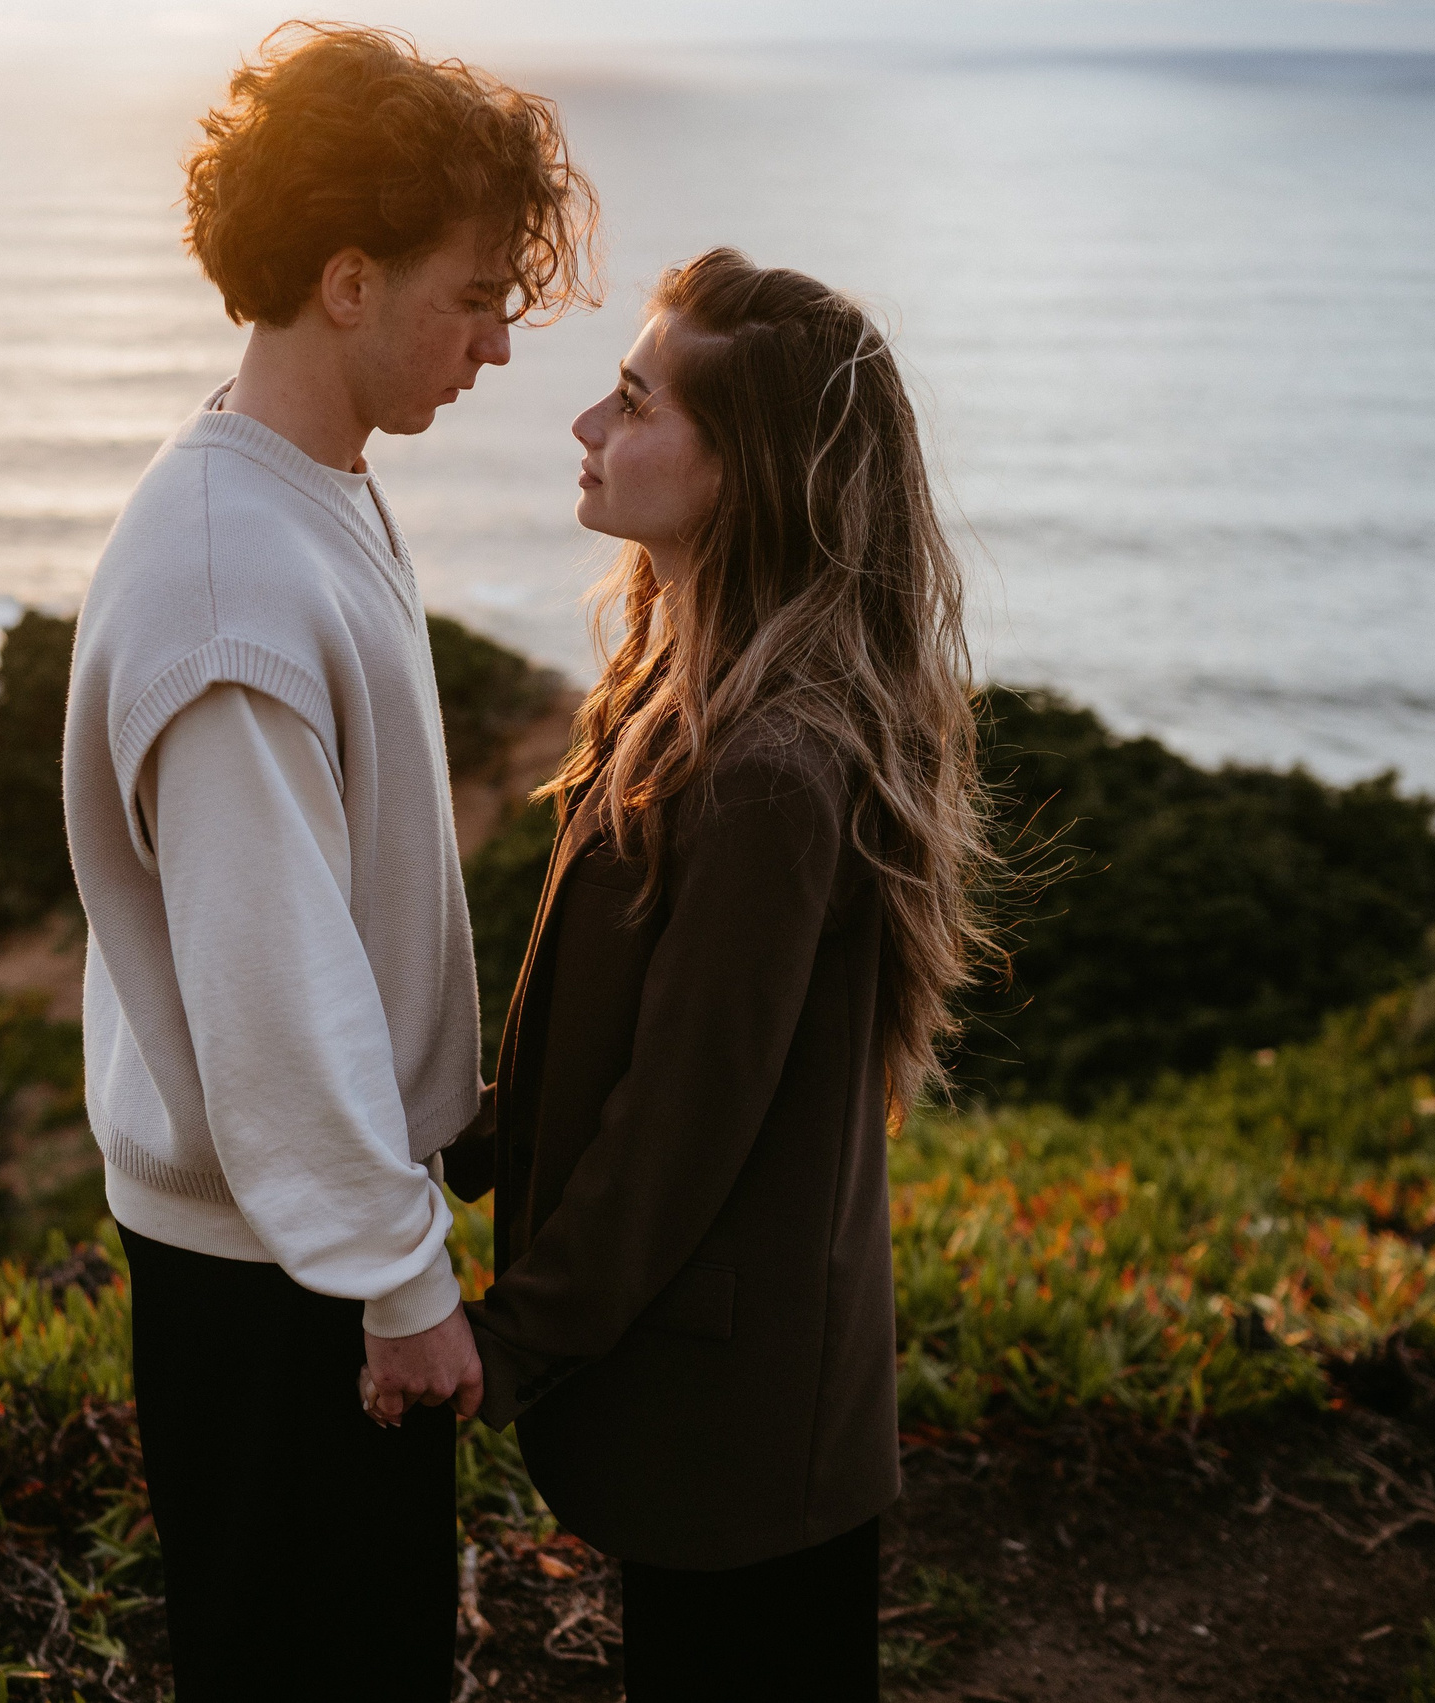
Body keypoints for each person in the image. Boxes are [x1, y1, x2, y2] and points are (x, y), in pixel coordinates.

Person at [59, 23, 596, 1702]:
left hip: (306, 1243)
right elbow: (273, 982)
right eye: (472, 296)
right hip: (281, 1277)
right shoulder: (229, 583)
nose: (502, 345)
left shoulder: (305, 479)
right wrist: (393, 1276)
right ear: (347, 281)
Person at [441, 249, 993, 1700]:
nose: (586, 429)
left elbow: (686, 1120)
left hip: (744, 1422)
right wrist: (471, 1125)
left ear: (743, 472)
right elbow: (626, 1031)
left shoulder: (774, 769)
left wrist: (506, 1346)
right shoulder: (678, 692)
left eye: (632, 402)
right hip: (709, 1386)